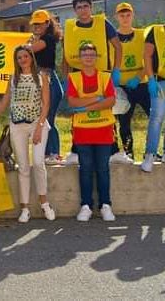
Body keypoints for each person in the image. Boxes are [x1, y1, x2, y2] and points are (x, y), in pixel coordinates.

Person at [0, 45, 56, 223]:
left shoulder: (42, 77)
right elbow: (5, 102)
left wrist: (39, 128)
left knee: (37, 162)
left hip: (38, 123)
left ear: (31, 57)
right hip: (17, 126)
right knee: (23, 166)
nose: (22, 60)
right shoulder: (13, 78)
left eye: (25, 56)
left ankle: (45, 203)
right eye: (19, 57)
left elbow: (46, 104)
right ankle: (25, 208)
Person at [61, 0, 122, 165]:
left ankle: (114, 150)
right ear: (75, 10)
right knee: (78, 113)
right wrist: (66, 78)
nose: (83, 10)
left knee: (107, 111)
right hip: (77, 74)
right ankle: (74, 151)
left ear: (91, 8)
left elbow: (118, 46)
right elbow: (65, 56)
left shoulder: (103, 23)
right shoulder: (70, 27)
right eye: (79, 7)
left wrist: (116, 69)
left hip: (101, 72)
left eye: (85, 6)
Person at [67, 43, 117, 222]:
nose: (88, 57)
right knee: (85, 169)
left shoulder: (105, 77)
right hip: (82, 131)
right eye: (85, 54)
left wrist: (87, 105)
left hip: (103, 130)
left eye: (91, 54)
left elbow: (111, 100)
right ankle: (86, 205)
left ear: (96, 57)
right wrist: (97, 99)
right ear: (80, 58)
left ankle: (105, 205)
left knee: (103, 169)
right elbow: (72, 102)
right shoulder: (73, 77)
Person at [110, 3, 150, 162]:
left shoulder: (142, 35)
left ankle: (152, 151)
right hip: (122, 86)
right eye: (121, 15)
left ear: (133, 15)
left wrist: (139, 77)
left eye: (128, 15)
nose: (125, 18)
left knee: (155, 117)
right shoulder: (112, 38)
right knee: (124, 123)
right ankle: (129, 153)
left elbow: (150, 58)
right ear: (116, 17)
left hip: (141, 83)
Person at [27, 10, 64, 165]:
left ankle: (53, 153)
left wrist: (26, 44)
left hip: (50, 81)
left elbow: (29, 50)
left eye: (39, 23)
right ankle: (50, 152)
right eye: (34, 24)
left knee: (48, 120)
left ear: (47, 23)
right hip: (44, 80)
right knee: (46, 120)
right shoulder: (40, 39)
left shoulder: (47, 38)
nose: (36, 26)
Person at [142, 23, 165, 172]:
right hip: (160, 81)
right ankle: (150, 153)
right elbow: (147, 55)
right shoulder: (156, 31)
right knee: (156, 117)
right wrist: (150, 79)